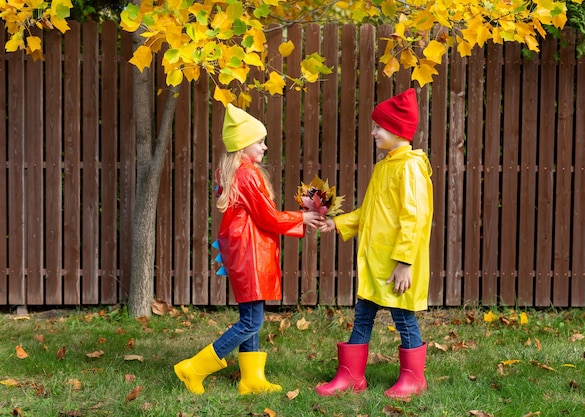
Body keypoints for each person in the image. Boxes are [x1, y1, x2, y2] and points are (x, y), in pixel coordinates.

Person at [174, 103, 323, 395]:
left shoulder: (237, 171)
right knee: (252, 321)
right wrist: (302, 216)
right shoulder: (247, 174)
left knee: (251, 317)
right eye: (260, 141)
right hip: (251, 254)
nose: (265, 147)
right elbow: (267, 217)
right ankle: (194, 368)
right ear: (243, 145)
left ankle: (251, 379)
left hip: (244, 252)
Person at [316, 88, 433, 399]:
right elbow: (369, 212)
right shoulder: (386, 166)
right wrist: (336, 223)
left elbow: (415, 218)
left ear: (397, 129)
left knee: (403, 317)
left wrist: (405, 262)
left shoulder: (410, 168)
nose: (373, 132)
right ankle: (351, 375)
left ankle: (414, 378)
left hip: (395, 265)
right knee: (363, 313)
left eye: (379, 127)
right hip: (377, 261)